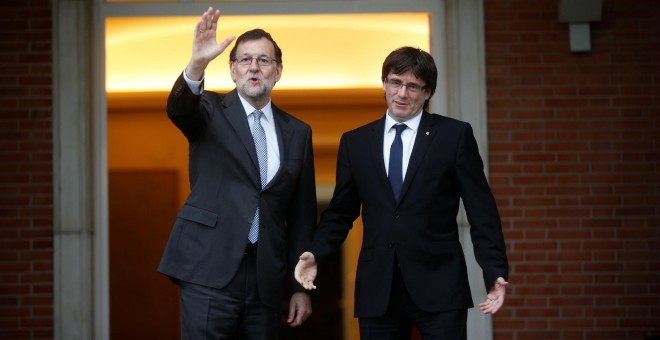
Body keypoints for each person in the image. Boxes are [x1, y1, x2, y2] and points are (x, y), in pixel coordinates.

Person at [294, 46, 509, 339]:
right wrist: (316, 253)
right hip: (378, 290)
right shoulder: (356, 143)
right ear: (384, 83)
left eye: (413, 86)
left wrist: (494, 271)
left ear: (428, 92)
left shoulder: (453, 136)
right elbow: (340, 213)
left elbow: (481, 210)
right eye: (395, 82)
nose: (402, 93)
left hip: (440, 285)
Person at [157, 7, 317, 339]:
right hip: (208, 270)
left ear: (278, 71)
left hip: (266, 280)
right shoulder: (209, 110)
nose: (254, 67)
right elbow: (179, 109)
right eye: (245, 60)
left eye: (264, 60)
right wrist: (197, 63)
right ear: (232, 70)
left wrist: (300, 286)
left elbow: (302, 216)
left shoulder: (298, 132)